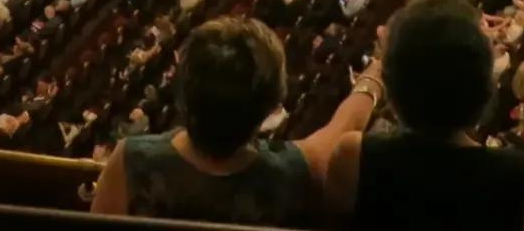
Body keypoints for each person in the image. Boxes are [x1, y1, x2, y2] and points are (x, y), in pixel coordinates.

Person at [91, 16, 381, 222]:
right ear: (271, 106)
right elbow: (348, 123)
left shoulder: (131, 160)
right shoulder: (295, 170)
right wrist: (375, 72)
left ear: (182, 93)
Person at [322, 0, 524, 228]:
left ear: (394, 83)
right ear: (483, 87)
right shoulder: (515, 175)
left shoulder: (355, 156)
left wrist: (367, 85)